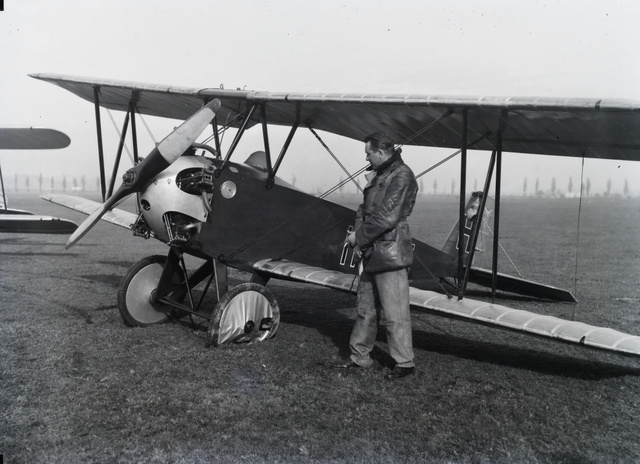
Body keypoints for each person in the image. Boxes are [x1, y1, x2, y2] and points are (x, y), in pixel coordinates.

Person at [332, 132, 418, 380]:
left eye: (368, 153)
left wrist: (358, 238)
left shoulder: (402, 175)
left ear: (381, 152)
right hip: (371, 250)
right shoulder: (380, 173)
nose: (366, 157)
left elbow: (387, 217)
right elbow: (364, 209)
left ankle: (404, 363)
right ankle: (360, 357)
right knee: (365, 309)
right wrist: (360, 237)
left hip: (390, 252)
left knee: (395, 313)